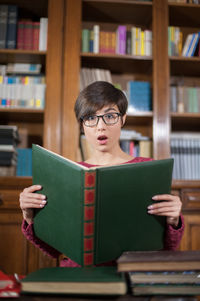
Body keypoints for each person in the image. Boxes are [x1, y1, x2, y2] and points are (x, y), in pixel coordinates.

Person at [19, 81, 184, 267]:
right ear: (82, 125)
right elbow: (53, 250)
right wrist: (30, 217)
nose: (100, 126)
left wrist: (174, 220)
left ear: (123, 119)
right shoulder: (68, 175)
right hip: (81, 274)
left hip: (132, 271)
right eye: (90, 118)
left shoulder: (148, 170)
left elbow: (167, 249)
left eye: (110, 116)